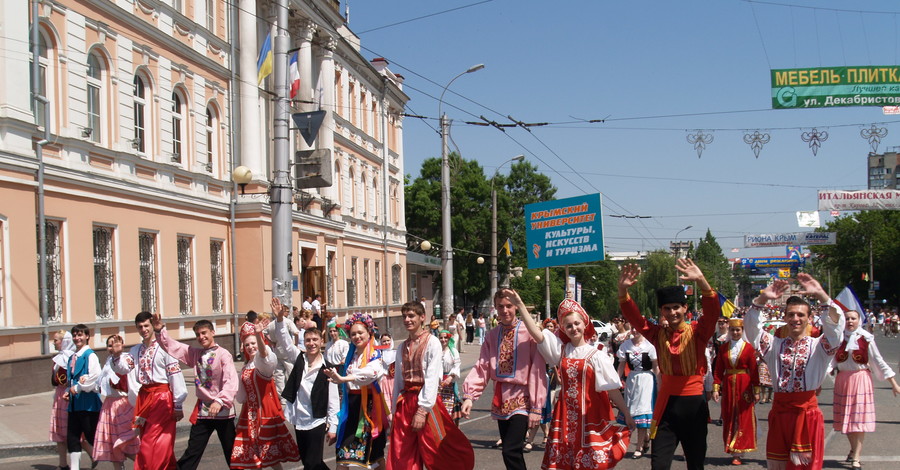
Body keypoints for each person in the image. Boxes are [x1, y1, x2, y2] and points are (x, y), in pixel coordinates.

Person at [618, 259, 721, 470]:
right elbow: (636, 319)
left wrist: (701, 281)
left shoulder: (698, 332)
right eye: (667, 308)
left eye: (676, 307)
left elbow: (712, 313)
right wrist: (622, 292)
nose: (672, 312)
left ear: (685, 308)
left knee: (695, 463)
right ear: (662, 311)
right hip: (666, 405)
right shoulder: (657, 334)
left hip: (694, 404)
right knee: (659, 464)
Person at [519, 294, 633, 469]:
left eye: (576, 323)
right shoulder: (561, 351)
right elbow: (538, 334)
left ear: (585, 324)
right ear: (563, 329)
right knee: (565, 459)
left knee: (590, 461)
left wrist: (626, 413)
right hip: (565, 414)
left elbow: (612, 389)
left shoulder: (597, 356)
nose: (573, 328)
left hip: (589, 414)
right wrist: (520, 305)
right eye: (568, 325)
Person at [744, 274, 844, 470]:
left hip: (807, 415)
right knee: (778, 466)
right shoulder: (774, 345)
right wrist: (763, 298)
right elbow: (751, 328)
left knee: (806, 466)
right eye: (791, 314)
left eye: (800, 315)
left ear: (809, 318)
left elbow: (836, 330)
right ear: (785, 317)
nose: (795, 319)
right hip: (780, 413)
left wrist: (822, 296)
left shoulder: (820, 346)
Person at [461, 288, 548, 470]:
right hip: (501, 398)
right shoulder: (492, 336)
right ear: (495, 308)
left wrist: (536, 407)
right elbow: (483, 366)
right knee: (510, 452)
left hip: (523, 399)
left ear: (516, 307)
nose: (505, 310)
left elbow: (537, 370)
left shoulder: (529, 333)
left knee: (511, 449)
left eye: (509, 306)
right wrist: (469, 396)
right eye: (500, 307)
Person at [388, 301, 474, 470]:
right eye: (404, 316)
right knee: (402, 452)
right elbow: (398, 380)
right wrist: (394, 411)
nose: (407, 319)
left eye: (411, 316)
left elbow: (432, 377)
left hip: (426, 403)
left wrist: (422, 410)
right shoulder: (402, 347)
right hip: (405, 403)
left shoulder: (432, 342)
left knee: (436, 450)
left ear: (422, 318)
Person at [153, 314, 239, 470]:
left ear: (212, 332)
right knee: (193, 451)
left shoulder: (223, 354)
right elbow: (174, 347)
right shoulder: (195, 354)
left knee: (231, 451)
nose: (201, 337)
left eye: (204, 333)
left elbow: (231, 381)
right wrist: (160, 331)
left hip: (223, 411)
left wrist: (219, 401)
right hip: (204, 412)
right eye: (198, 334)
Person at [111, 312, 187, 470]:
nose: (143, 329)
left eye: (146, 325)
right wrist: (118, 354)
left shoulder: (165, 348)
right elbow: (124, 368)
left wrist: (178, 404)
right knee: (148, 437)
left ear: (153, 326)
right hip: (144, 398)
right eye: (140, 327)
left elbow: (175, 376)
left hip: (162, 398)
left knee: (152, 441)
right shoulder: (136, 350)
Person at [272, 298, 339, 470]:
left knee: (312, 462)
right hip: (298, 418)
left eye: (315, 340)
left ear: (320, 341)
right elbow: (285, 343)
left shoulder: (327, 368)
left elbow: (333, 401)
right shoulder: (299, 359)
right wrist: (280, 320)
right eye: (308, 340)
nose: (311, 344)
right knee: (309, 462)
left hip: (317, 419)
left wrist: (333, 426)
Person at [832, 309, 900, 469]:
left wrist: (894, 384)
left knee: (858, 420)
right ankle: (853, 449)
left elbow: (878, 361)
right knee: (846, 420)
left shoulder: (866, 339)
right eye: (847, 318)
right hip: (842, 380)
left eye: (853, 318)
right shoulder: (838, 339)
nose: (850, 321)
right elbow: (831, 362)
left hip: (860, 379)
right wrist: (818, 382)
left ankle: (856, 456)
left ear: (859, 320)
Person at [231, 317, 300, 469]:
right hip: (248, 414)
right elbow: (241, 396)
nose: (250, 347)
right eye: (247, 344)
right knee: (251, 456)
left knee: (270, 456)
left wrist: (258, 335)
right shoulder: (245, 367)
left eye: (253, 343)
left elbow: (264, 355)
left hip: (265, 412)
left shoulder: (263, 363)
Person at [322, 313, 388, 470]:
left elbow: (371, 373)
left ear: (369, 333)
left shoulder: (375, 353)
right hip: (351, 407)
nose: (357, 336)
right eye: (353, 334)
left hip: (369, 410)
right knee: (342, 456)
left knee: (375, 456)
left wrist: (344, 379)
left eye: (360, 333)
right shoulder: (351, 355)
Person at [711, 318, 760, 466]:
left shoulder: (749, 348)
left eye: (738, 330)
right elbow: (718, 369)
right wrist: (716, 387)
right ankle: (732, 448)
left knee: (743, 416)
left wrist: (756, 389)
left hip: (744, 384)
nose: (735, 332)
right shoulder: (724, 348)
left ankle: (739, 450)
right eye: (732, 330)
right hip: (729, 384)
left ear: (742, 331)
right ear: (729, 331)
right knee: (729, 415)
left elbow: (754, 370)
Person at [92, 334, 140, 470]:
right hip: (109, 405)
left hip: (123, 404)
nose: (112, 347)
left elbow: (125, 373)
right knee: (112, 442)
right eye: (109, 345)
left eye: (115, 344)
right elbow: (101, 382)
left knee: (128, 441)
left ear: (122, 345)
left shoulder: (125, 358)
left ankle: (146, 466)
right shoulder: (108, 360)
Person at [64, 324, 102, 470]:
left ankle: (117, 459)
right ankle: (74, 467)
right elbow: (72, 379)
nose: (77, 338)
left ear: (87, 337)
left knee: (92, 436)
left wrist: (78, 388)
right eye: (74, 335)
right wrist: (69, 390)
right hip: (75, 405)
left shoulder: (90, 355)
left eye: (80, 335)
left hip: (89, 404)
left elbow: (95, 377)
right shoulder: (72, 357)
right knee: (72, 437)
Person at [616, 328, 658, 459]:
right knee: (631, 412)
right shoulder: (625, 345)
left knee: (642, 411)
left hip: (646, 380)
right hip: (632, 380)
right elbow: (621, 365)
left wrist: (660, 382)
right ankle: (644, 438)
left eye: (637, 327)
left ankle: (639, 447)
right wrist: (616, 382)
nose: (635, 330)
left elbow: (655, 366)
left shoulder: (649, 346)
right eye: (633, 327)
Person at [525, 319, 561, 453]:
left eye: (552, 326)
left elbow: (552, 361)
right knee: (536, 413)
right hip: (530, 379)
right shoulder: (528, 343)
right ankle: (546, 434)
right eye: (548, 326)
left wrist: (557, 375)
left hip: (543, 378)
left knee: (539, 410)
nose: (550, 328)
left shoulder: (548, 341)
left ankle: (530, 440)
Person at [50, 330, 76, 470]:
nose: (54, 342)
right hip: (59, 396)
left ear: (64, 341)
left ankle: (90, 454)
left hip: (67, 396)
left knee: (71, 431)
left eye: (56, 340)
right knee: (59, 431)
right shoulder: (58, 358)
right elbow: (55, 380)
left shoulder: (71, 358)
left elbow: (70, 379)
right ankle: (62, 464)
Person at [438, 329, 462, 423]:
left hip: (450, 382)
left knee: (451, 407)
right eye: (441, 337)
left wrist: (451, 377)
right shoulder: (437, 351)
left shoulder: (453, 351)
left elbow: (457, 365)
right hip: (439, 383)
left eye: (445, 338)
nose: (443, 340)